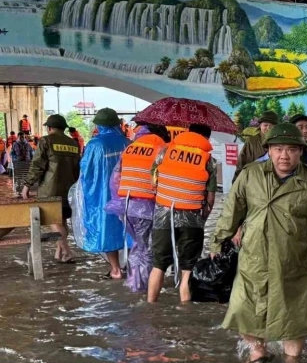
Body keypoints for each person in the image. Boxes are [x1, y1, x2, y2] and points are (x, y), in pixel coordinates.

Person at [209, 123, 307, 363]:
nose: (284, 155)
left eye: (291, 150)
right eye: (278, 149)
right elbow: (231, 212)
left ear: (301, 151)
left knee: (293, 317)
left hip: (292, 259)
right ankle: (257, 350)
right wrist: (217, 242)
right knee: (245, 309)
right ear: (269, 151)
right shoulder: (251, 175)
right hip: (253, 256)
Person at [147, 123, 217, 304]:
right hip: (192, 217)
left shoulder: (165, 152)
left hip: (164, 214)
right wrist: (204, 218)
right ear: (206, 139)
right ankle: (186, 310)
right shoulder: (208, 160)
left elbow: (154, 181)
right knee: (188, 267)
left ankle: (150, 306)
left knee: (158, 265)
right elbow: (210, 198)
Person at [106, 124, 170, 292]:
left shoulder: (130, 149)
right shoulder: (161, 149)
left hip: (126, 205)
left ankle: (136, 283)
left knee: (138, 245)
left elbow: (115, 178)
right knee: (148, 249)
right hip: (146, 208)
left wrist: (119, 202)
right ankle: (143, 288)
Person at [73, 108, 130, 276]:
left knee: (107, 228)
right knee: (127, 228)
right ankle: (131, 267)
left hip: (103, 195)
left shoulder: (95, 144)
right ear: (117, 124)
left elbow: (85, 169)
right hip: (126, 194)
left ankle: (116, 269)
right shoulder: (128, 143)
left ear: (99, 125)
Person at [21, 114, 81, 262]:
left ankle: (67, 252)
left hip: (50, 190)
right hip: (69, 190)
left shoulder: (46, 140)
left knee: (54, 221)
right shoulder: (73, 143)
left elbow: (37, 165)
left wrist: (27, 185)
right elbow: (77, 168)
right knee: (62, 221)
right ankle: (59, 253)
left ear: (49, 128)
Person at [233, 110, 279, 182]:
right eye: (265, 125)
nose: (268, 128)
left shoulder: (281, 141)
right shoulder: (251, 141)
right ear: (260, 125)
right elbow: (241, 163)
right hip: (255, 181)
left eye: (272, 126)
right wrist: (237, 182)